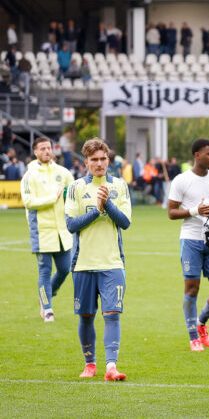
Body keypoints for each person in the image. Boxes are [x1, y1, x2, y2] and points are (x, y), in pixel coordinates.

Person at [64, 138, 131, 381]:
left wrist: (107, 204)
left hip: (113, 263)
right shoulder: (76, 187)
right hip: (83, 264)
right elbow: (71, 225)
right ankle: (90, 364)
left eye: (103, 159)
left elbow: (125, 222)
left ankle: (111, 366)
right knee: (86, 316)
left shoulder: (120, 186)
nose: (100, 163)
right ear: (87, 162)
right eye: (95, 160)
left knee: (112, 314)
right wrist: (97, 210)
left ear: (108, 160)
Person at [167, 139, 209, 352]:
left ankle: (201, 321)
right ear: (197, 155)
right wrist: (194, 211)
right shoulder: (182, 180)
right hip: (191, 239)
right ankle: (193, 336)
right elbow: (171, 212)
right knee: (192, 288)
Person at [21, 137, 75, 322]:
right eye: (42, 148)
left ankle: (47, 295)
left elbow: (73, 192)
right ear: (35, 152)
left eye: (48, 148)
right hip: (42, 231)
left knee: (65, 269)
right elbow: (28, 202)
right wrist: (53, 198)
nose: (46, 151)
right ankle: (48, 309)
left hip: (62, 232)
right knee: (44, 271)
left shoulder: (63, 172)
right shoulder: (30, 176)